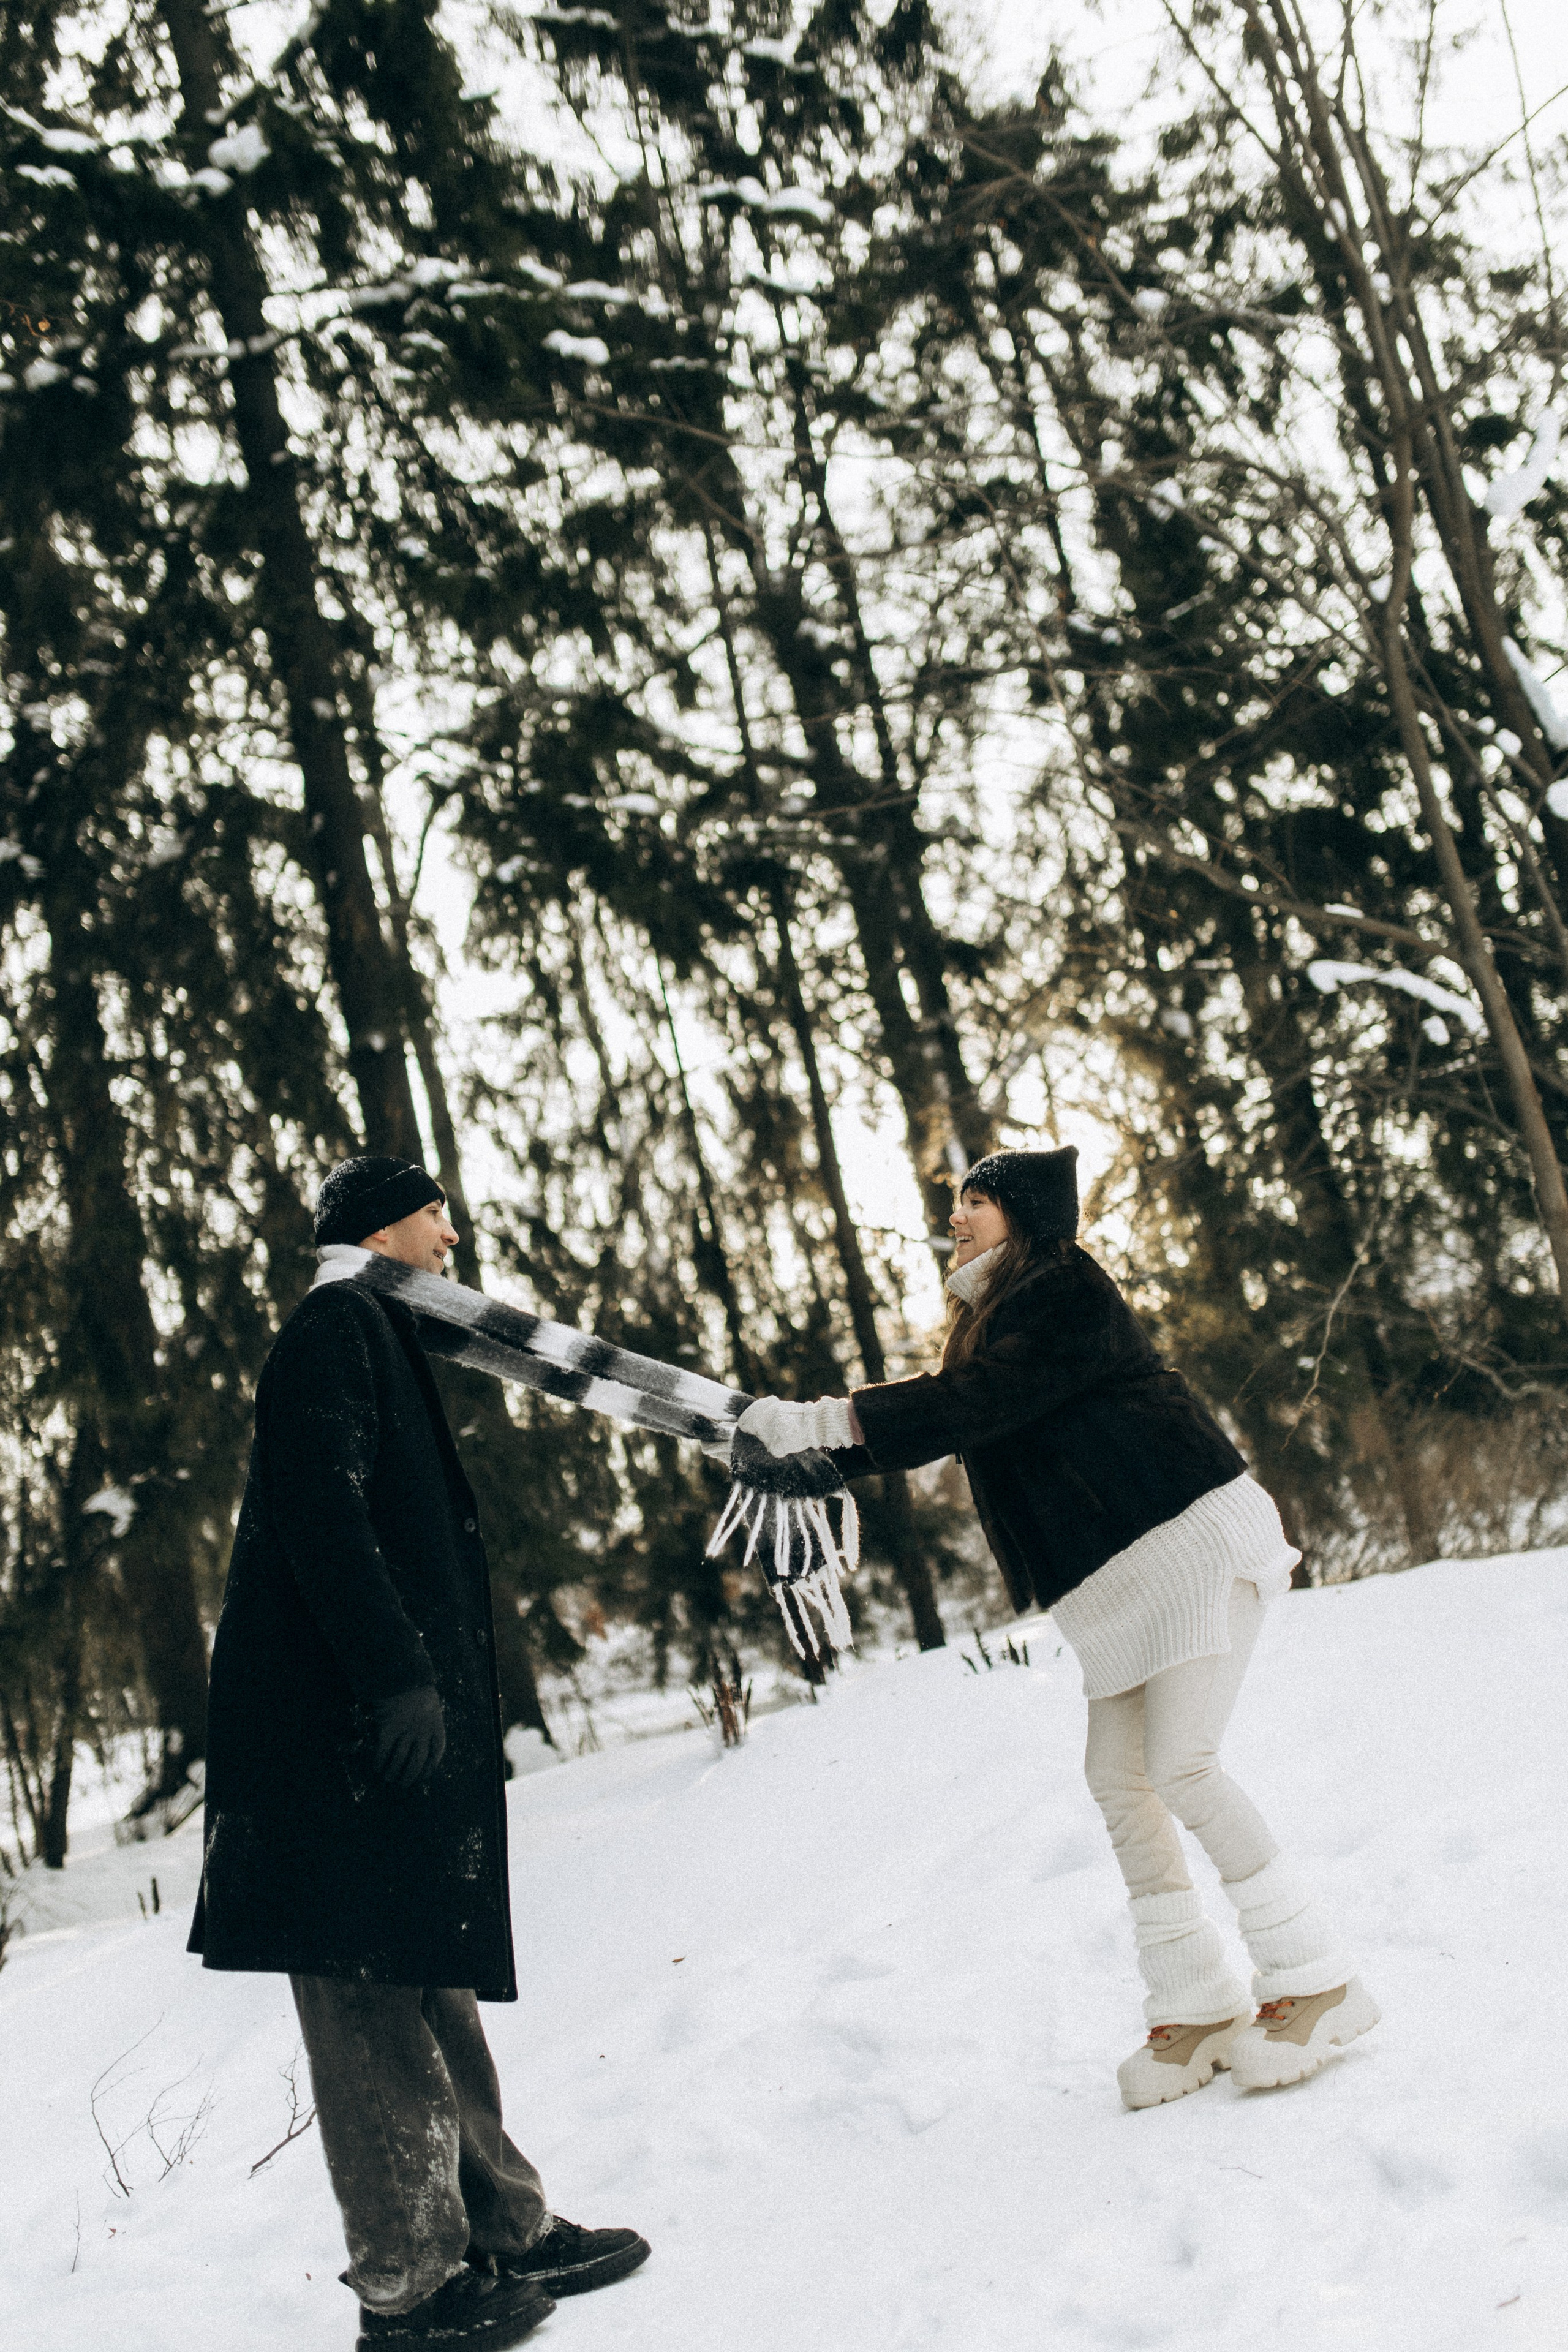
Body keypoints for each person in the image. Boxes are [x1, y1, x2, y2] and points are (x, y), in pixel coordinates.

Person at [736, 1145, 1379, 2111]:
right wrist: (829, 1464)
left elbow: (978, 1404)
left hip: (1190, 1542)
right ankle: (1198, 2003)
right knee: (1119, 1779)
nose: (958, 1217)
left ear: (1025, 1215)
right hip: (1118, 1580)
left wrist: (827, 1423)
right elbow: (967, 1413)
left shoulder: (1064, 1289)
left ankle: (1317, 1979)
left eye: (978, 1202)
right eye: (957, 1202)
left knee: (1185, 1767)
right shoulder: (986, 1321)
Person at [190, 1155, 649, 2346]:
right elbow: (319, 1511)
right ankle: (406, 2284)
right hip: (323, 1741)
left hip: (374, 1740)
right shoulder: (332, 1327)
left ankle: (498, 2225)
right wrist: (396, 1677)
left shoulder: (373, 1331)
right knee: (363, 1996)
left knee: (425, 1972)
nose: (451, 1233)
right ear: (380, 1228)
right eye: (434, 1212)